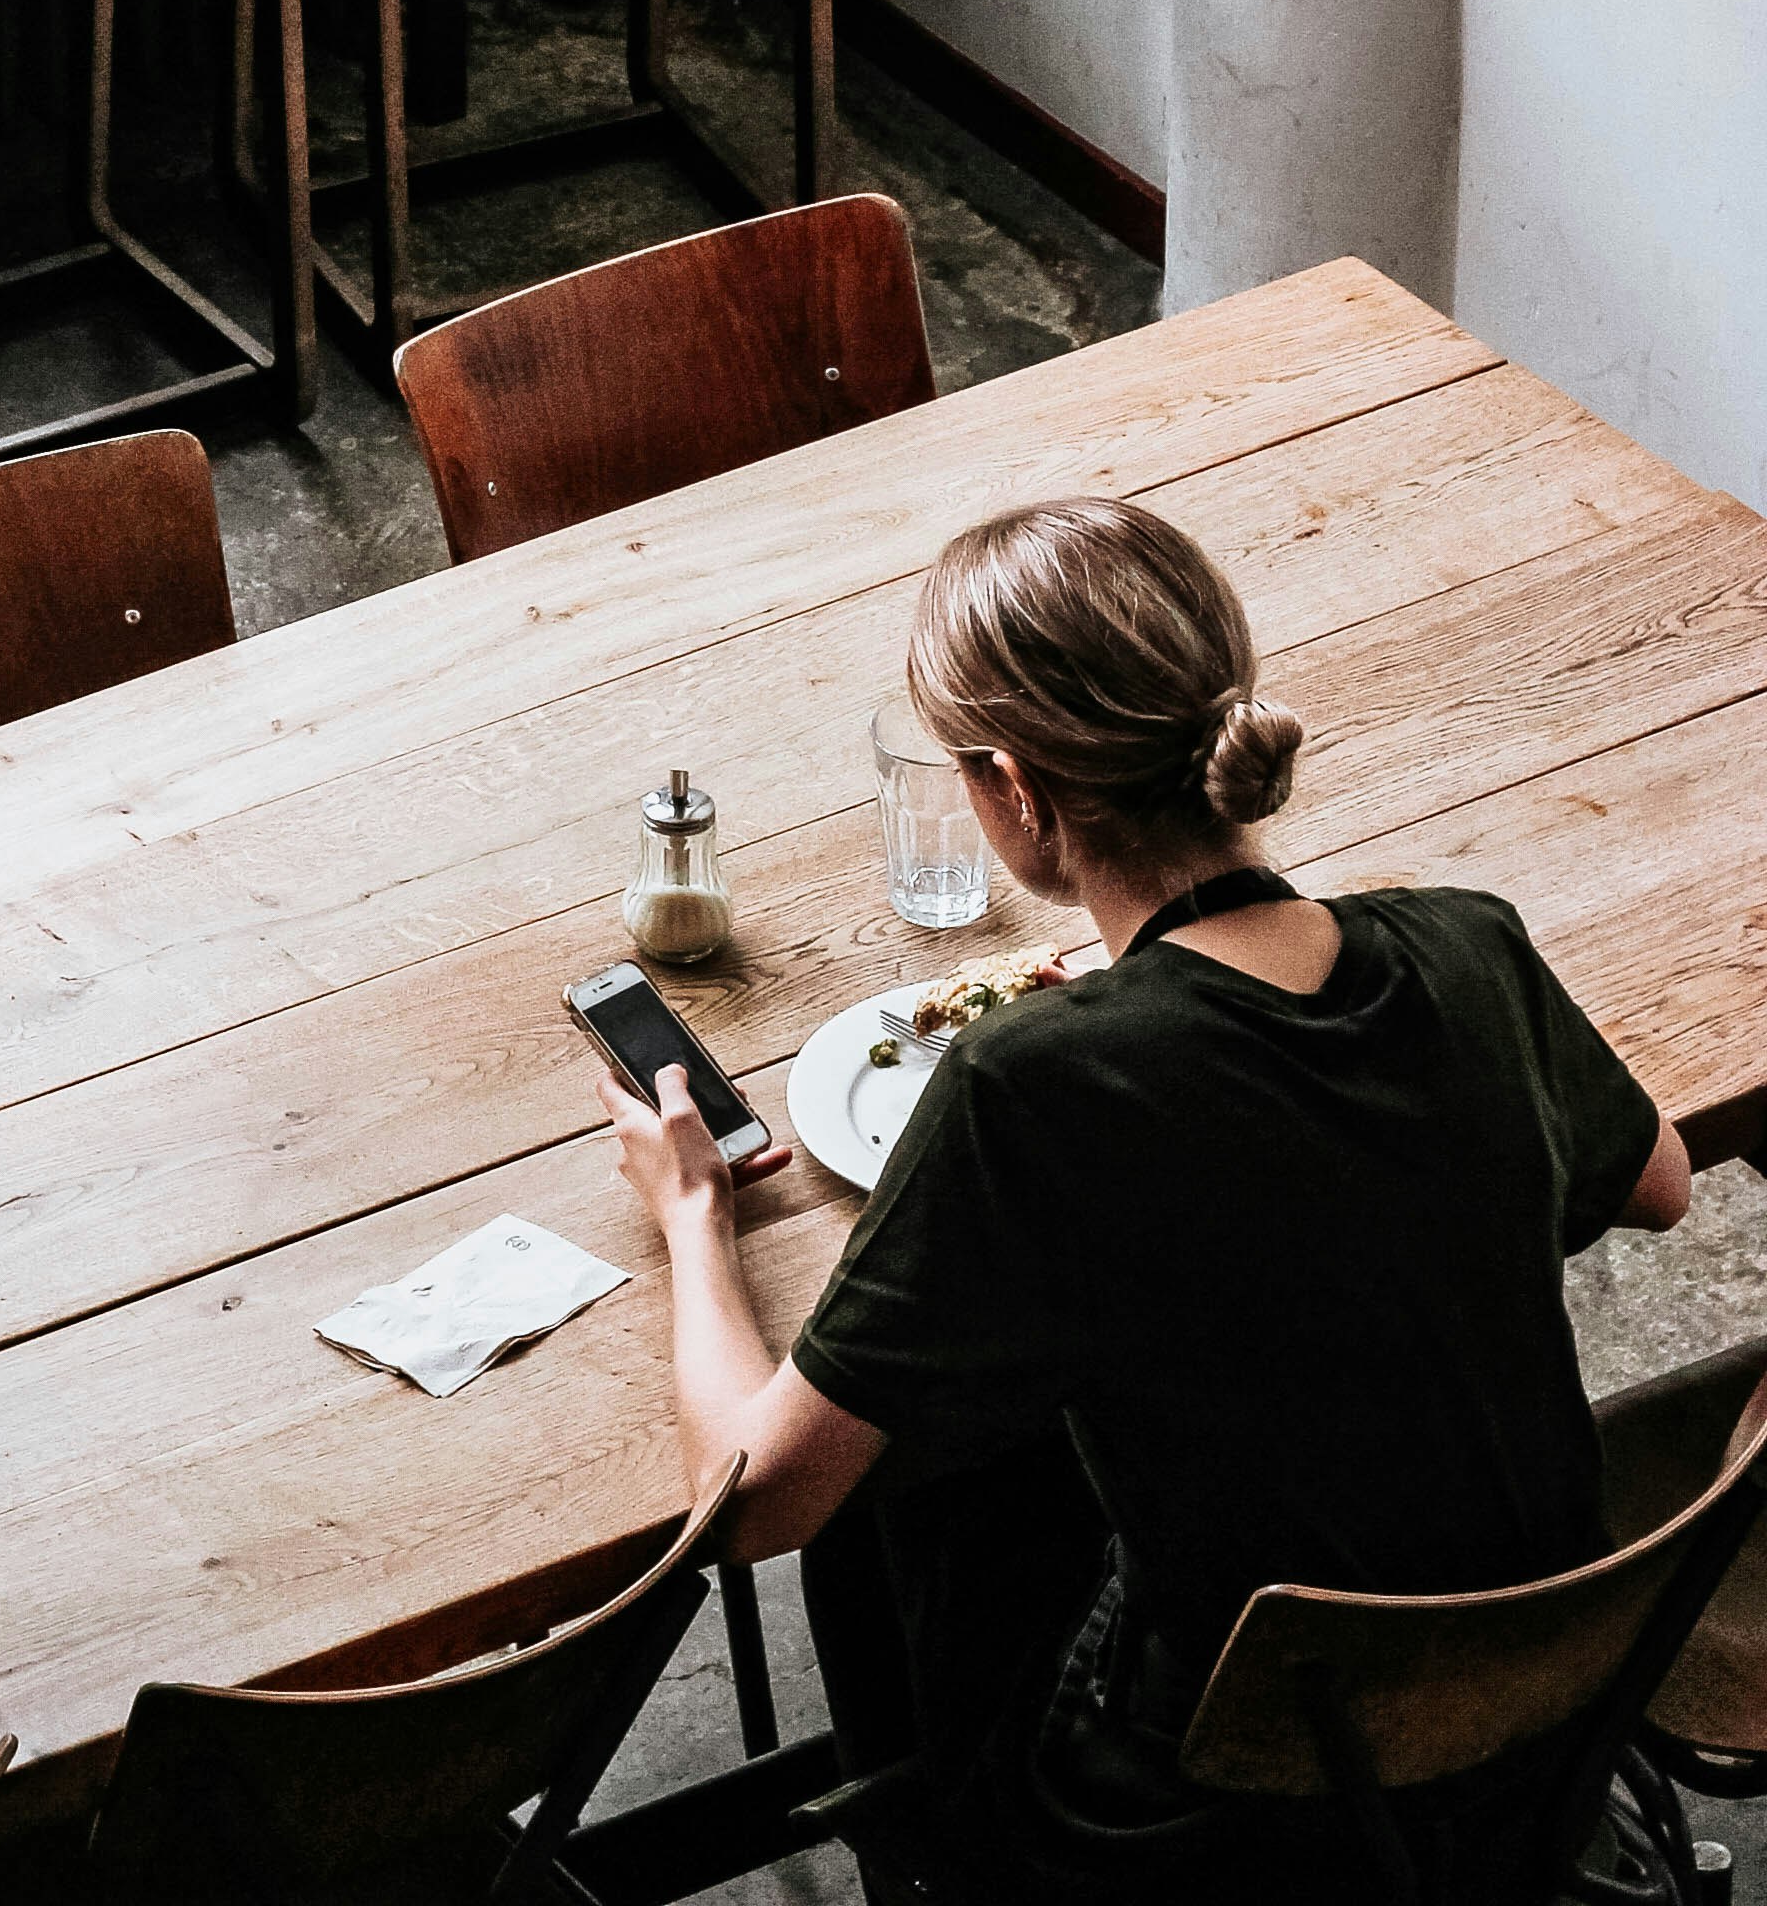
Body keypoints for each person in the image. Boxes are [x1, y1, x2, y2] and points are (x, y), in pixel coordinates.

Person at [592, 493, 1691, 1899]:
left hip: (1227, 1799)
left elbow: (746, 1505)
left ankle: (942, 1862)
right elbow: (1655, 1181)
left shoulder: (1032, 1089)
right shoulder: (1466, 942)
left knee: (887, 1523)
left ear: (1019, 793)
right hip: (1540, 1706)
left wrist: (694, 1214)